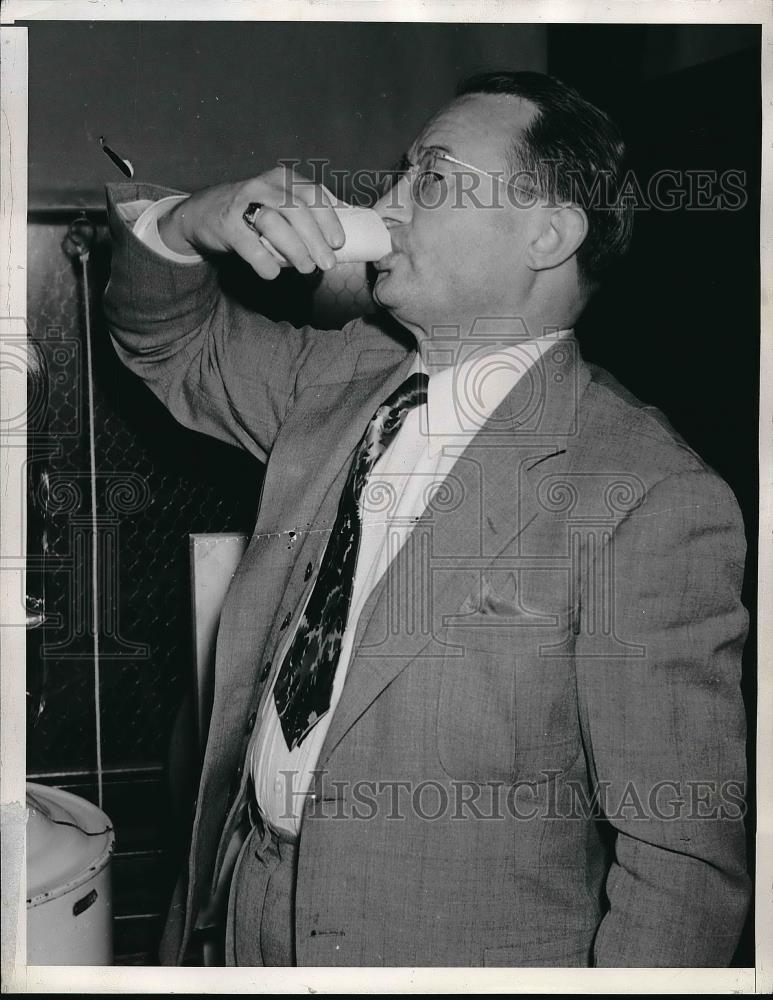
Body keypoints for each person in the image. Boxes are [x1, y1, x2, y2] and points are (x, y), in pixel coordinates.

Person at [103, 71, 750, 968]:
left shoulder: (649, 495)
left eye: (432, 178)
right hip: (236, 920)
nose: (389, 202)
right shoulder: (332, 380)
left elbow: (681, 862)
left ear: (547, 233)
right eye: (401, 174)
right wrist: (186, 221)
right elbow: (166, 340)